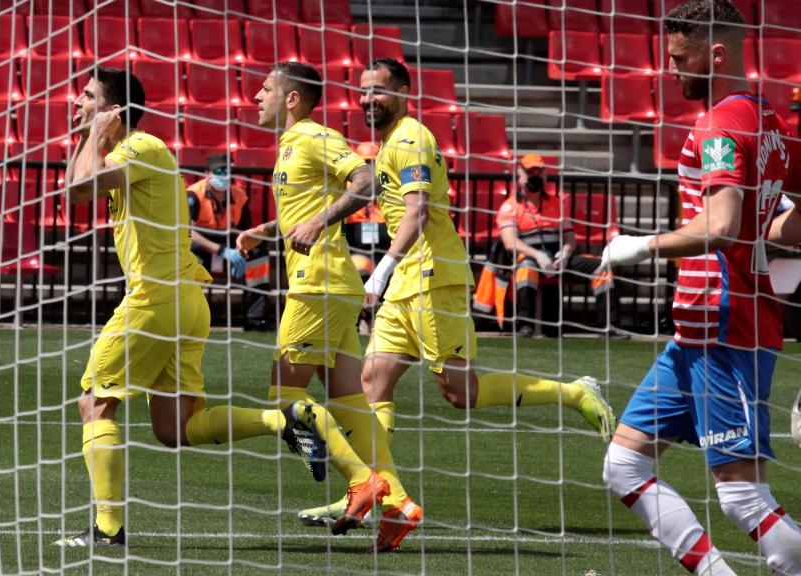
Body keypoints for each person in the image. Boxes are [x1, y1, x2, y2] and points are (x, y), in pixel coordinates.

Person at [294, 57, 616, 548]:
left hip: (432, 278)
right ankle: (379, 495)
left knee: (459, 393)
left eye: (378, 90)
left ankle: (574, 393)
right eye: (361, 91)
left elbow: (419, 212)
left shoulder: (410, 138)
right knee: (371, 381)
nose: (367, 100)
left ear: (403, 91)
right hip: (407, 281)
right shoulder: (386, 147)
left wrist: (379, 269)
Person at [53, 68, 339, 548]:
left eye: (87, 97)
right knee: (175, 428)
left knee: (95, 402)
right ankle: (282, 419)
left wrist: (97, 135)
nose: (75, 103)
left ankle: (107, 530)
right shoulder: (131, 152)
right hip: (182, 300)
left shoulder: (138, 148)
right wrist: (93, 138)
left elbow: (79, 189)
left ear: (114, 110)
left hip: (155, 297)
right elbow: (78, 187)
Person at [598, 1, 801, 574]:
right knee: (624, 466)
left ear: (717, 52)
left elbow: (718, 227)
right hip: (696, 334)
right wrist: (760, 222)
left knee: (742, 498)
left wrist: (640, 245)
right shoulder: (769, 119)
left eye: (681, 57)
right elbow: (784, 223)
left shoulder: (718, 125)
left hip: (724, 324)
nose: (672, 70)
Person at [235, 61, 417, 551]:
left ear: (291, 98)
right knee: (349, 401)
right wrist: (265, 230)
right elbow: (303, 214)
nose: (256, 97)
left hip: (318, 283)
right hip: (329, 284)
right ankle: (399, 503)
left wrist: (318, 221)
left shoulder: (316, 136)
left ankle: (362, 482)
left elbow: (367, 181)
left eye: (266, 89)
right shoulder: (288, 146)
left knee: (282, 395)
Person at [484, 153, 621, 338]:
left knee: (601, 267)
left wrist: (565, 253)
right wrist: (538, 256)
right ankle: (526, 325)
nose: (535, 177)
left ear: (545, 176)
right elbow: (510, 243)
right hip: (530, 259)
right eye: (530, 173)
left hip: (558, 259)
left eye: (539, 173)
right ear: (520, 176)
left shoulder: (557, 203)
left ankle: (608, 326)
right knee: (526, 268)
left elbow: (570, 237)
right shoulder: (510, 207)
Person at [186, 154, 270, 330]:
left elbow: (246, 230)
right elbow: (189, 232)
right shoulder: (193, 195)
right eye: (218, 171)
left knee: (258, 253)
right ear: (207, 173)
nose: (223, 175)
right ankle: (190, 317)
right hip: (203, 248)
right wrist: (222, 251)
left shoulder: (239, 195)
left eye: (227, 171)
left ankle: (255, 320)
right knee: (188, 254)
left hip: (230, 245)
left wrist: (241, 249)